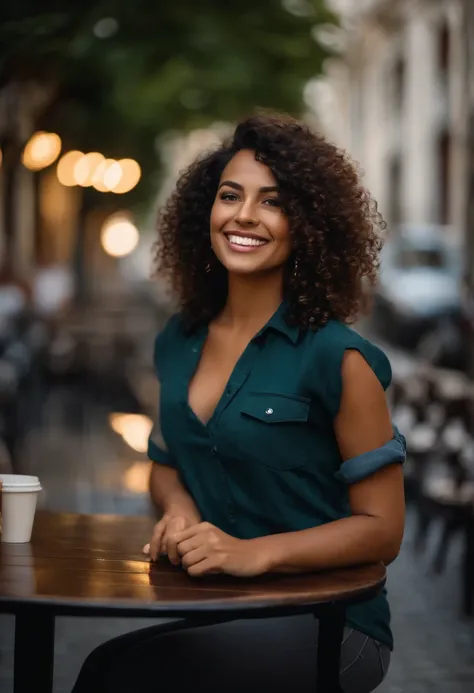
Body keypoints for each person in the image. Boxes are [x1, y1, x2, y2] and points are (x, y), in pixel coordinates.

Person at [72, 113, 405, 693]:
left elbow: (383, 529)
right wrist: (180, 514)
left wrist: (255, 553)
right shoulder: (179, 339)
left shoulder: (338, 359)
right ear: (207, 210)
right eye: (230, 195)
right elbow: (167, 462)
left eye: (271, 202)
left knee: (117, 674)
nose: (244, 215)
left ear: (307, 225)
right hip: (220, 606)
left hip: (332, 624)